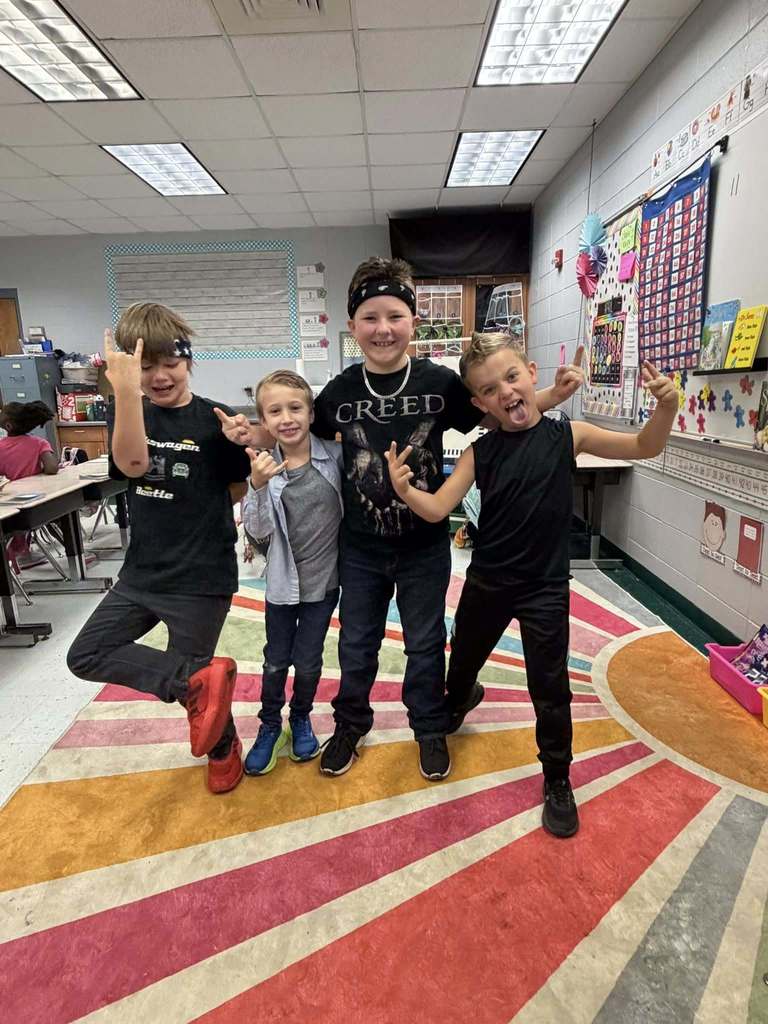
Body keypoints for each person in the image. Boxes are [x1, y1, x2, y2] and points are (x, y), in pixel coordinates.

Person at [218, 259, 584, 782]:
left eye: (394, 316)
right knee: (358, 642)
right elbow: (290, 431)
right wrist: (251, 433)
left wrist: (552, 396)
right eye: (370, 318)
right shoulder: (340, 393)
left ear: (413, 322)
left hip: (424, 544)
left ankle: (430, 727)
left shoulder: (440, 384)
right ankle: (350, 723)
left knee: (425, 641)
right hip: (361, 548)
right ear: (353, 327)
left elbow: (503, 412)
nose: (383, 329)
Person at [385, 332, 677, 835]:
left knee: (550, 685)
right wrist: (405, 489)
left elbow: (645, 445)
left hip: (544, 586)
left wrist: (666, 407)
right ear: (479, 403)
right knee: (462, 663)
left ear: (532, 374)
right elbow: (436, 509)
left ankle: (558, 777)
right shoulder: (481, 451)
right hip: (488, 582)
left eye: (512, 377)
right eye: (491, 389)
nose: (506, 392)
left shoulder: (570, 435)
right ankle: (460, 698)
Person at [67, 302, 250, 795]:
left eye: (171, 362)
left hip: (201, 577)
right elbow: (130, 465)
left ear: (189, 361)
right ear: (129, 371)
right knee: (87, 655)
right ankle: (193, 681)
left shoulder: (217, 419)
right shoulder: (130, 412)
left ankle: (221, 747)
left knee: (201, 691)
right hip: (141, 575)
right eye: (146, 367)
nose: (160, 376)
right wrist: (125, 393)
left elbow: (237, 490)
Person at [240, 370, 343, 775]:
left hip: (323, 584)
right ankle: (269, 725)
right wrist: (258, 485)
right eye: (275, 411)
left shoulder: (333, 458)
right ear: (263, 421)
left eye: (295, 407)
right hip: (282, 586)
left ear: (312, 412)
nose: (287, 418)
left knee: (310, 659)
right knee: (275, 661)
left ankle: (300, 716)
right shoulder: (264, 469)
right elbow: (258, 532)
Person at [0, 400, 58, 479]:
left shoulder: (1, 446)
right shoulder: (40, 443)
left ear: (8, 426)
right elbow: (52, 468)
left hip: (14, 489)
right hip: (39, 488)